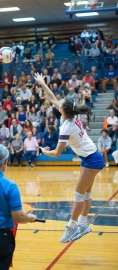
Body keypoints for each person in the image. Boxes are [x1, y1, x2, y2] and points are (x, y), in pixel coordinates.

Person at [35, 73, 104, 243]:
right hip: (91, 157)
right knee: (86, 193)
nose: (57, 106)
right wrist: (43, 83)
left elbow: (57, 153)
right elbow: (52, 98)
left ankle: (71, 227)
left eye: (59, 106)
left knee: (78, 195)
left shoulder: (66, 127)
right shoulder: (71, 115)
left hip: (92, 159)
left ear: (63, 110)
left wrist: (44, 152)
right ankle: (83, 224)